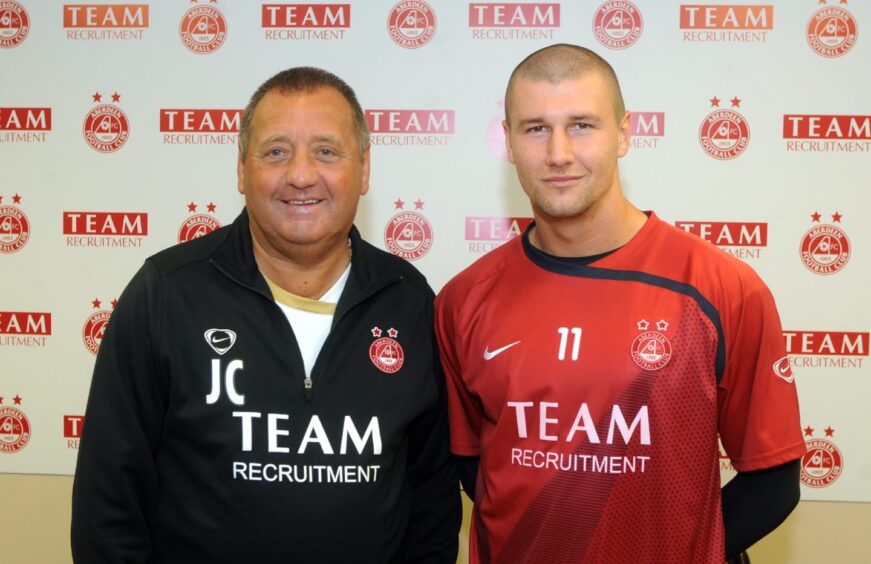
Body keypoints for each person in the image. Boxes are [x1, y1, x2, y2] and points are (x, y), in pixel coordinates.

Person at [72, 67, 460, 563]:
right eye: (275, 151)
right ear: (241, 168)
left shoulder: (407, 300)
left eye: (326, 150)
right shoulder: (166, 294)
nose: (300, 175)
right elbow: (107, 507)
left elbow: (432, 501)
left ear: (364, 169)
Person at [435, 44, 805, 563]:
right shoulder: (463, 299)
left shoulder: (721, 287)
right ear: (509, 142)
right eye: (535, 128)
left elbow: (773, 479)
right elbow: (475, 467)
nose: (559, 153)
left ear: (625, 134)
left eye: (582, 125)